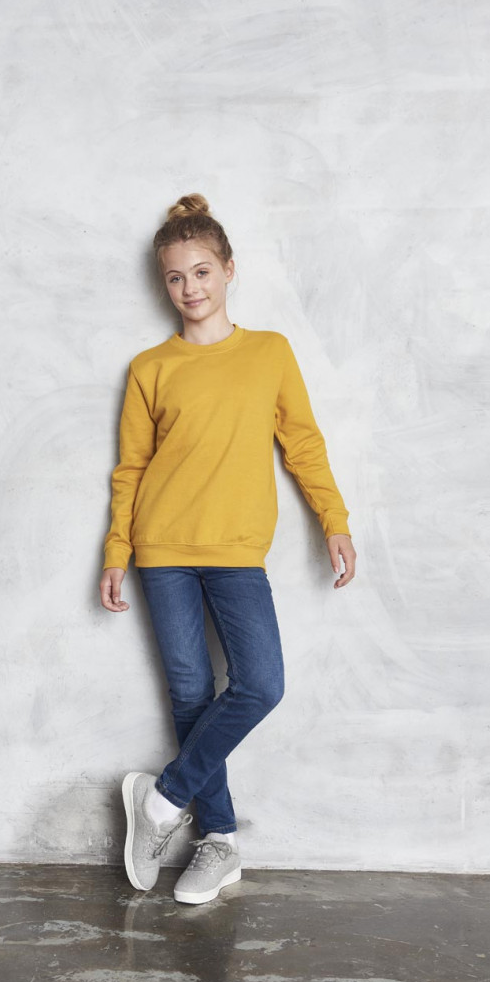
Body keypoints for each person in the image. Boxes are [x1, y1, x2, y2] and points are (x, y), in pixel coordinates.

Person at [99, 193, 357, 905]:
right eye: (175, 277)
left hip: (237, 549)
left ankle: (160, 799)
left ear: (229, 269)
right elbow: (130, 468)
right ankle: (219, 841)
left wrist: (333, 519)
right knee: (190, 695)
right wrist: (116, 552)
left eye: (202, 271)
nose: (190, 288)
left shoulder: (269, 352)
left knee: (259, 685)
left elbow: (302, 443)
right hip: (161, 549)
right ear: (164, 283)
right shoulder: (150, 367)